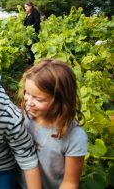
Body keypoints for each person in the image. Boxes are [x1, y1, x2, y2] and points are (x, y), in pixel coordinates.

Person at [19, 58, 87, 189]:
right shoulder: (27, 115)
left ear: (60, 101)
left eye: (38, 99)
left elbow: (70, 183)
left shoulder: (74, 137)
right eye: (27, 93)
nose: (28, 102)